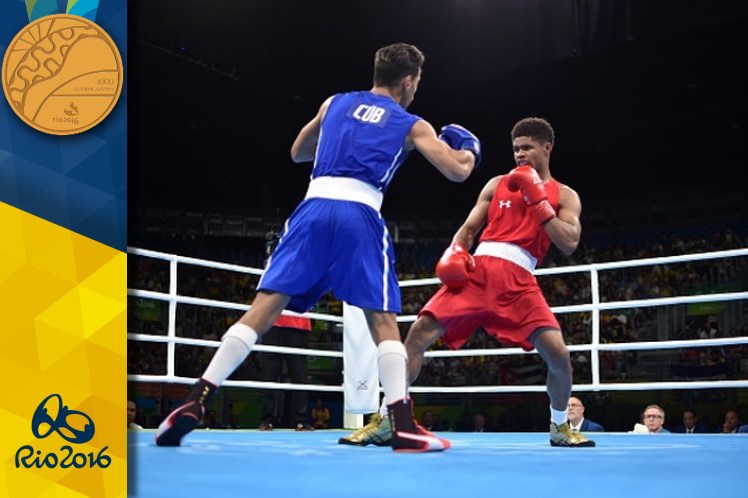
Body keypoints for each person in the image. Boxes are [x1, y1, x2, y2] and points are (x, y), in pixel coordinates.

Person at [155, 42, 480, 452]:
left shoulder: (333, 104)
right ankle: (402, 424)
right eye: (417, 82)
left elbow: (297, 153)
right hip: (359, 213)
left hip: (312, 208)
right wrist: (467, 148)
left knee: (264, 308)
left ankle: (194, 400)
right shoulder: (412, 123)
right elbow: (456, 172)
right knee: (382, 321)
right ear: (409, 80)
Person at [341, 116, 594, 448]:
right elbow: (469, 228)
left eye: (527, 148)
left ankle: (560, 427)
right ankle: (388, 417)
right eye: (516, 148)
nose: (520, 154)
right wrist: (456, 250)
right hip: (478, 272)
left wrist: (539, 203)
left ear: (547, 148)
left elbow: (569, 241)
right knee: (417, 335)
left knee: (559, 354)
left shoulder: (564, 194)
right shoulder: (496, 183)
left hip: (519, 280)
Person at [258, 231, 315, 431]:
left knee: (298, 373)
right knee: (270, 372)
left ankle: (301, 419)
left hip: (297, 323)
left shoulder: (310, 259)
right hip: (272, 321)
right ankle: (267, 419)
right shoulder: (274, 259)